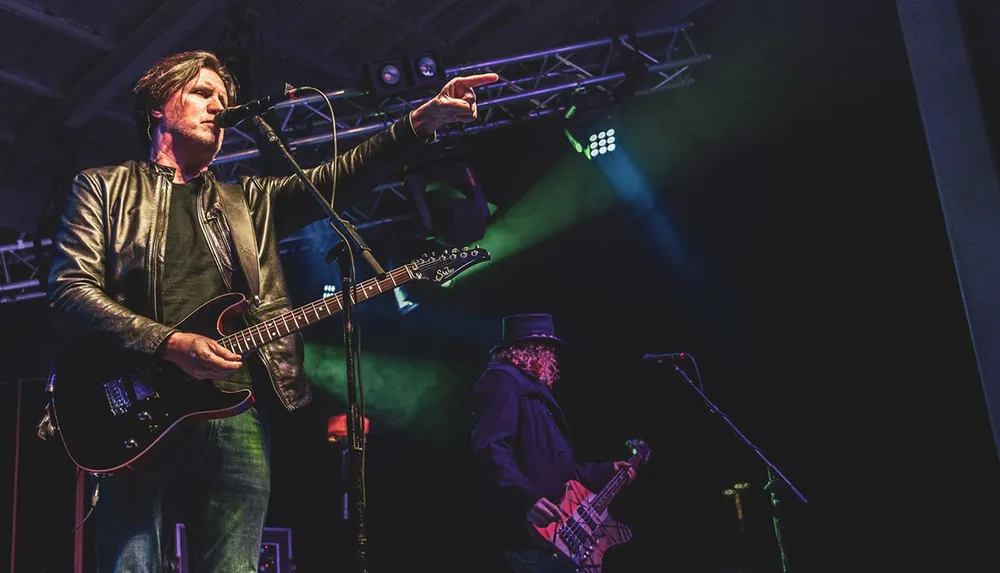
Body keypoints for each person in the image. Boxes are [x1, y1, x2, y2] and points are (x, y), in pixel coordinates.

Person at [45, 49, 497, 572]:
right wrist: (169, 343)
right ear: (157, 107)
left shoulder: (248, 202)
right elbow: (68, 289)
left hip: (236, 412)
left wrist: (418, 123)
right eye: (202, 92)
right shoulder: (104, 188)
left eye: (224, 98)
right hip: (134, 407)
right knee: (132, 564)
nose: (218, 105)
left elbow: (338, 176)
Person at [471, 313, 636, 573]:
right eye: (549, 351)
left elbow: (559, 469)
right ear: (533, 351)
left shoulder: (536, 391)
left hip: (555, 539)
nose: (553, 361)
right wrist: (526, 499)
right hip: (527, 537)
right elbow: (491, 447)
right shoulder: (501, 380)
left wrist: (604, 471)